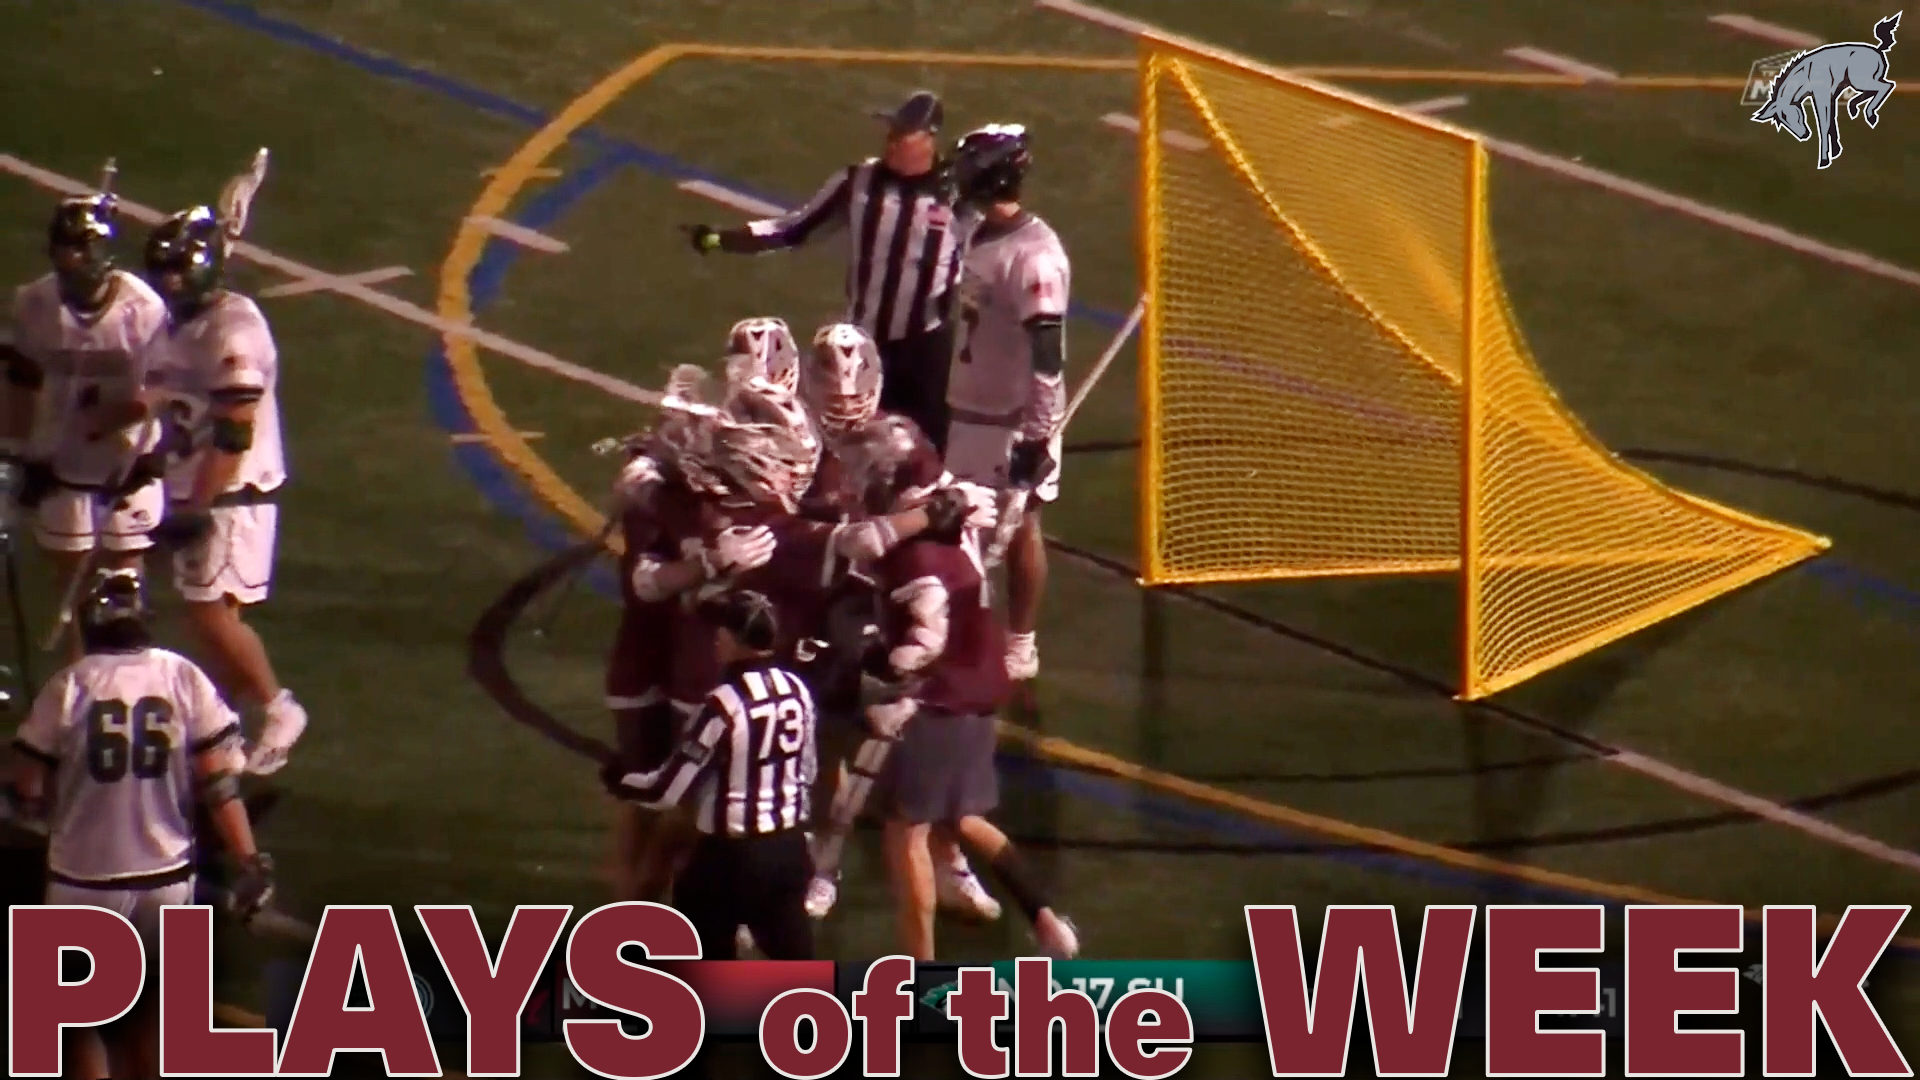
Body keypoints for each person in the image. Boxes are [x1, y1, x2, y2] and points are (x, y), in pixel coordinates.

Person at [7, 567, 274, 1080]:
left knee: (81, 1028)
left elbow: (28, 783)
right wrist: (247, 858)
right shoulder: (182, 675)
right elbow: (219, 786)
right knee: (152, 1029)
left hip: (81, 878)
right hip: (165, 878)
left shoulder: (70, 686)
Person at [840, 414, 1078, 961]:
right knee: (963, 816)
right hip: (980, 686)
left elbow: (924, 640)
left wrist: (882, 667)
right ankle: (1043, 914)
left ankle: (918, 968)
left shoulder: (917, 555)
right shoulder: (954, 509)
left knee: (908, 833)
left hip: (937, 699)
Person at [681, 91, 974, 453]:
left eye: (903, 135)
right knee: (851, 446)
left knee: (929, 450)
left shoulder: (958, 196)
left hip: (925, 349)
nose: (891, 142)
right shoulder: (859, 182)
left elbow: (989, 260)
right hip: (864, 345)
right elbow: (794, 228)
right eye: (891, 133)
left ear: (930, 138)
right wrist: (718, 239)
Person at [139, 204, 308, 776]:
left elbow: (235, 430)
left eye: (176, 272)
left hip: (232, 491)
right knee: (213, 617)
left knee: (209, 612)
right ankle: (224, 732)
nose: (169, 283)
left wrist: (198, 504)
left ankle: (277, 706)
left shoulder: (235, 328)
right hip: (198, 486)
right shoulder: (180, 324)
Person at [602, 588, 819, 960]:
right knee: (798, 962)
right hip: (789, 850)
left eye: (723, 630)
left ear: (736, 640)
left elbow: (667, 792)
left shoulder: (724, 704)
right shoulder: (797, 689)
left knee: (705, 961)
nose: (716, 636)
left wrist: (623, 781)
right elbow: (808, 770)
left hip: (730, 860)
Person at [1, 188, 170, 641]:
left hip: (126, 463)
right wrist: (15, 452)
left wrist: (117, 421)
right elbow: (21, 380)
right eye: (62, 245)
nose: (68, 257)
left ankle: (130, 681)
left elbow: (161, 389)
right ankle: (83, 688)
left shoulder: (145, 310)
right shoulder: (35, 303)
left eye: (77, 246)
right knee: (71, 592)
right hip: (61, 459)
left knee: (125, 585)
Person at [942, 124, 1070, 683]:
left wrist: (1036, 438)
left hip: (1011, 420)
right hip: (969, 404)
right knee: (960, 524)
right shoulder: (974, 229)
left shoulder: (1034, 259)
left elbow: (1048, 358)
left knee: (1020, 529)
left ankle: (1021, 642)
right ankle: (958, 625)